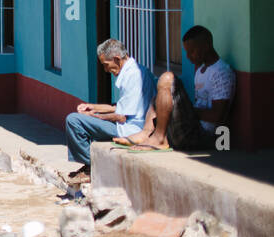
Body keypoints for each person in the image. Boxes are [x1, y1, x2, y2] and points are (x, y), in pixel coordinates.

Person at [114, 25, 234, 151]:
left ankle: (160, 138)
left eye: (192, 51)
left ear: (206, 46)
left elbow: (217, 116)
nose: (188, 56)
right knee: (161, 93)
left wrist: (185, 109)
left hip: (204, 137)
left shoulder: (221, 72)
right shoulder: (201, 71)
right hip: (191, 127)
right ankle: (146, 133)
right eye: (187, 52)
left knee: (167, 79)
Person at [64, 39, 150, 182]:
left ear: (117, 59)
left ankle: (90, 166)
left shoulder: (133, 75)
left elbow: (121, 116)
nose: (105, 70)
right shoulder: (134, 71)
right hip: (128, 125)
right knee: (83, 120)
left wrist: (94, 116)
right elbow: (120, 107)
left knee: (73, 121)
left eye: (106, 65)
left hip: (131, 130)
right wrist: (92, 107)